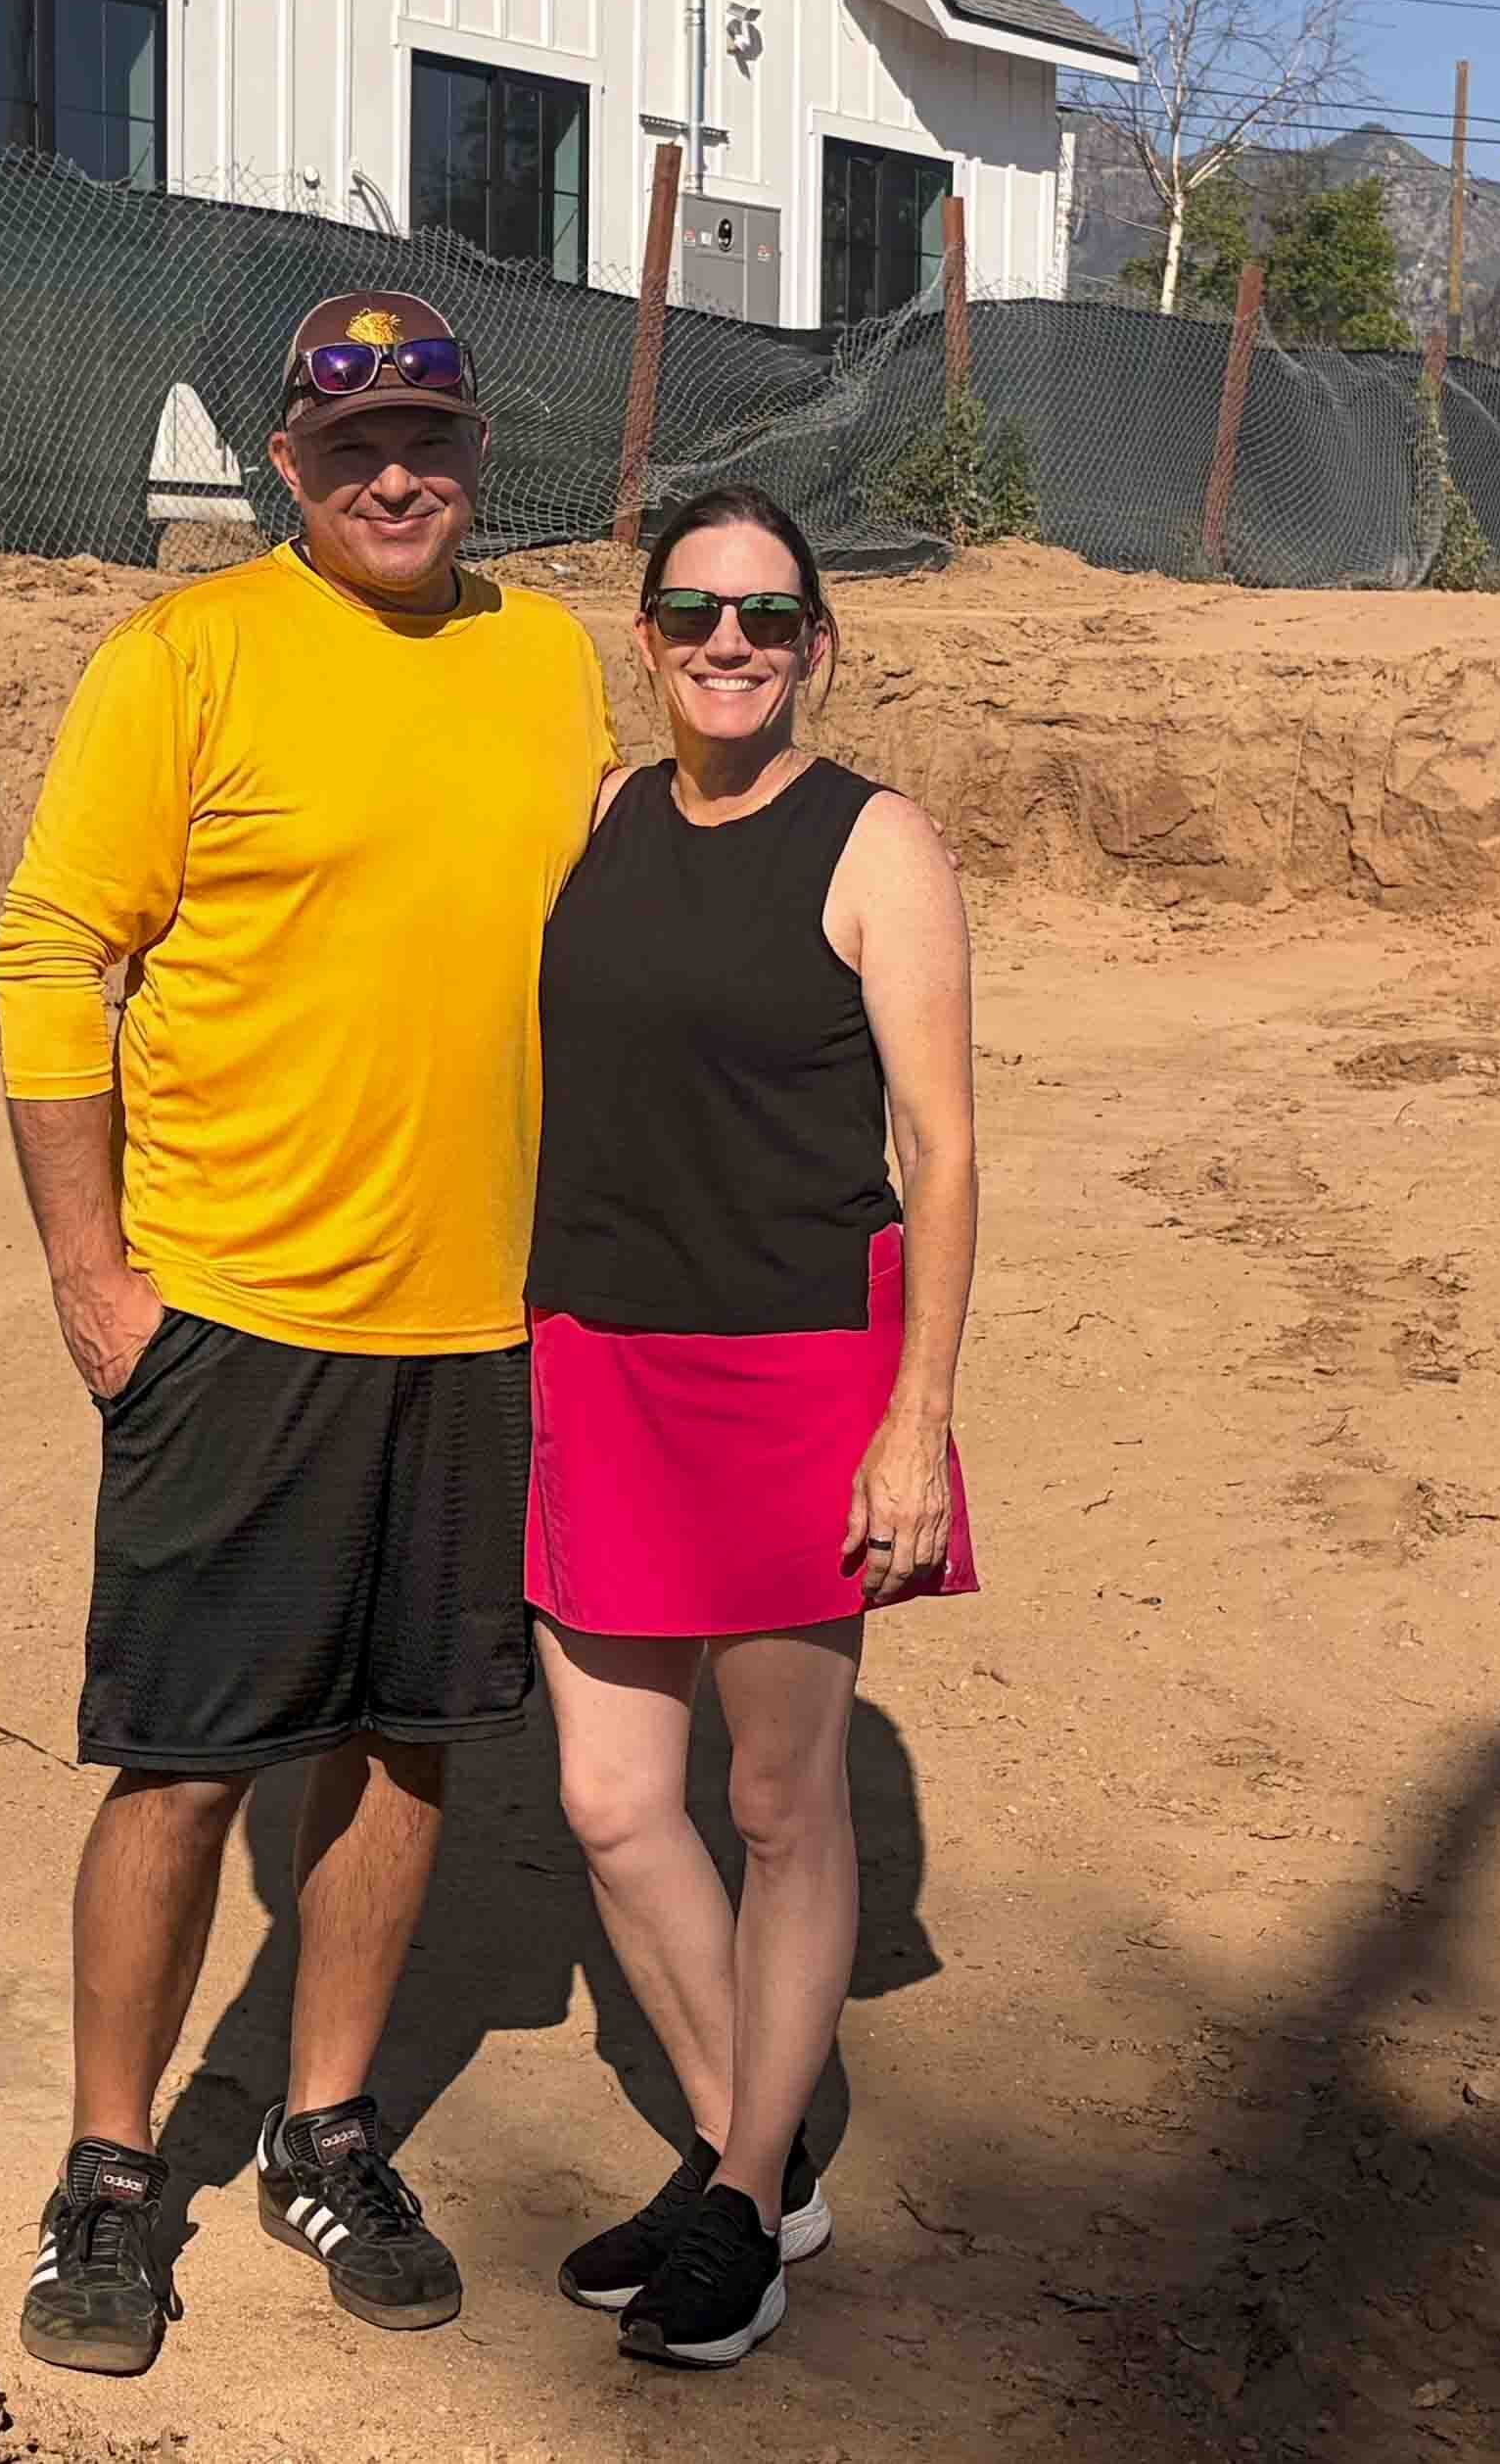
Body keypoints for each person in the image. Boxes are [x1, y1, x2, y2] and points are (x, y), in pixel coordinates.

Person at [0, 290, 614, 2381]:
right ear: (288, 462)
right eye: (352, 446)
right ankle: (107, 2165)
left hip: (477, 1325)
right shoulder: (185, 658)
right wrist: (97, 1276)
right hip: (238, 1311)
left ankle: (330, 2124)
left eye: (426, 433)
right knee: (183, 1761)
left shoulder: (547, 663)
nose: (394, 473)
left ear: (474, 444)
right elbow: (54, 953)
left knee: (407, 1734)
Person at [522, 481, 982, 2372]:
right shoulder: (613, 813)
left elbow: (943, 1151)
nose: (732, 644)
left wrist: (914, 1419)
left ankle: (741, 2189)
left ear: (819, 645)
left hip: (800, 1365)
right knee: (616, 1799)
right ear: (646, 633)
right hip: (600, 1353)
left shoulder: (879, 844)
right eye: (699, 612)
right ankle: (751, 2160)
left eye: (770, 618)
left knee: (783, 1801)